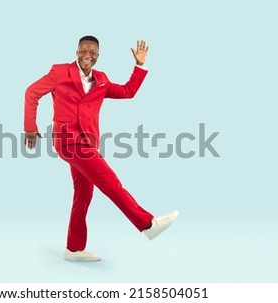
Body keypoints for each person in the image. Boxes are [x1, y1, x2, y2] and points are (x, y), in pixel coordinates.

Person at [24, 35, 178, 261]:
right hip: (69, 141)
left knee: (83, 194)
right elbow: (32, 93)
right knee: (111, 182)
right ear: (76, 52)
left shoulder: (102, 79)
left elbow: (127, 91)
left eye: (92, 52)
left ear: (98, 55)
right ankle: (147, 224)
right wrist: (30, 126)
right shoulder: (59, 73)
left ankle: (74, 249)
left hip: (88, 142)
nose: (87, 55)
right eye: (83, 51)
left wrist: (139, 65)